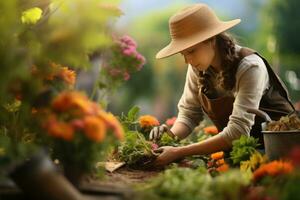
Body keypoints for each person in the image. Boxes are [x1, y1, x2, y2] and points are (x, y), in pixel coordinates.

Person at [150, 3, 295, 166]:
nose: (187, 60)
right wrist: (168, 136)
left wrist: (178, 152)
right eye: (183, 53)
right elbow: (189, 114)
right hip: (241, 156)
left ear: (211, 39)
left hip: (281, 155)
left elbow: (237, 133)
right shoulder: (198, 67)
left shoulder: (250, 67)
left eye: (191, 51)